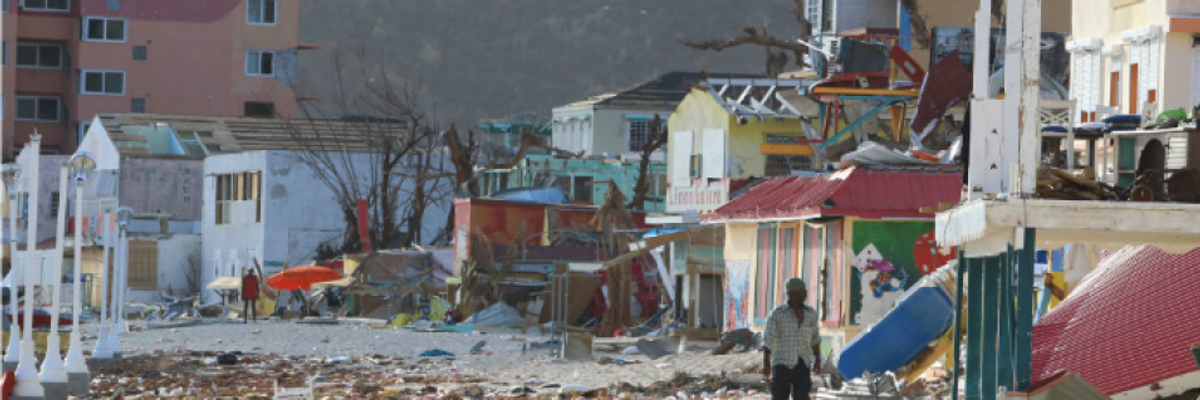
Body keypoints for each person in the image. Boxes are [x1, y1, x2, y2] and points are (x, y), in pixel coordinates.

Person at [762, 277, 822, 400]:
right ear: (792, 294)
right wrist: (766, 363)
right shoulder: (777, 314)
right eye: (802, 291)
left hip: (802, 364)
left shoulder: (810, 314)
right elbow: (767, 339)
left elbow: (815, 339)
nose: (805, 294)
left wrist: (817, 360)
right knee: (779, 396)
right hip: (782, 364)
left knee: (802, 396)